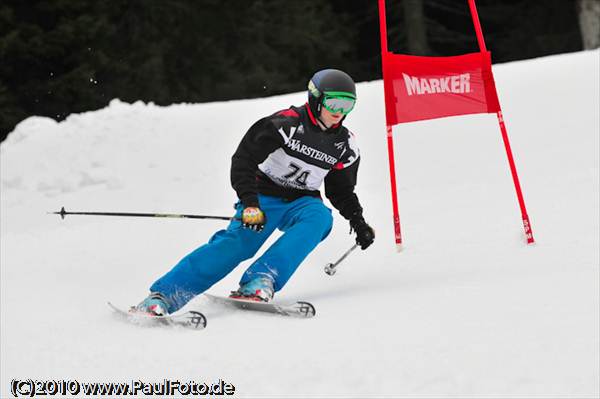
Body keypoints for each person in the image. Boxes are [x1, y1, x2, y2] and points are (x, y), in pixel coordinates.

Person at [136, 69, 375, 316]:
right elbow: (244, 160)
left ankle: (261, 279)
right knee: (239, 245)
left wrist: (358, 221)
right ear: (316, 98)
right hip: (263, 196)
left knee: (320, 218)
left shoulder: (345, 146)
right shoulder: (285, 125)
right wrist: (250, 203)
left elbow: (341, 191)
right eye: (334, 102)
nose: (339, 111)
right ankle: (164, 295)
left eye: (348, 105)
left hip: (302, 202)